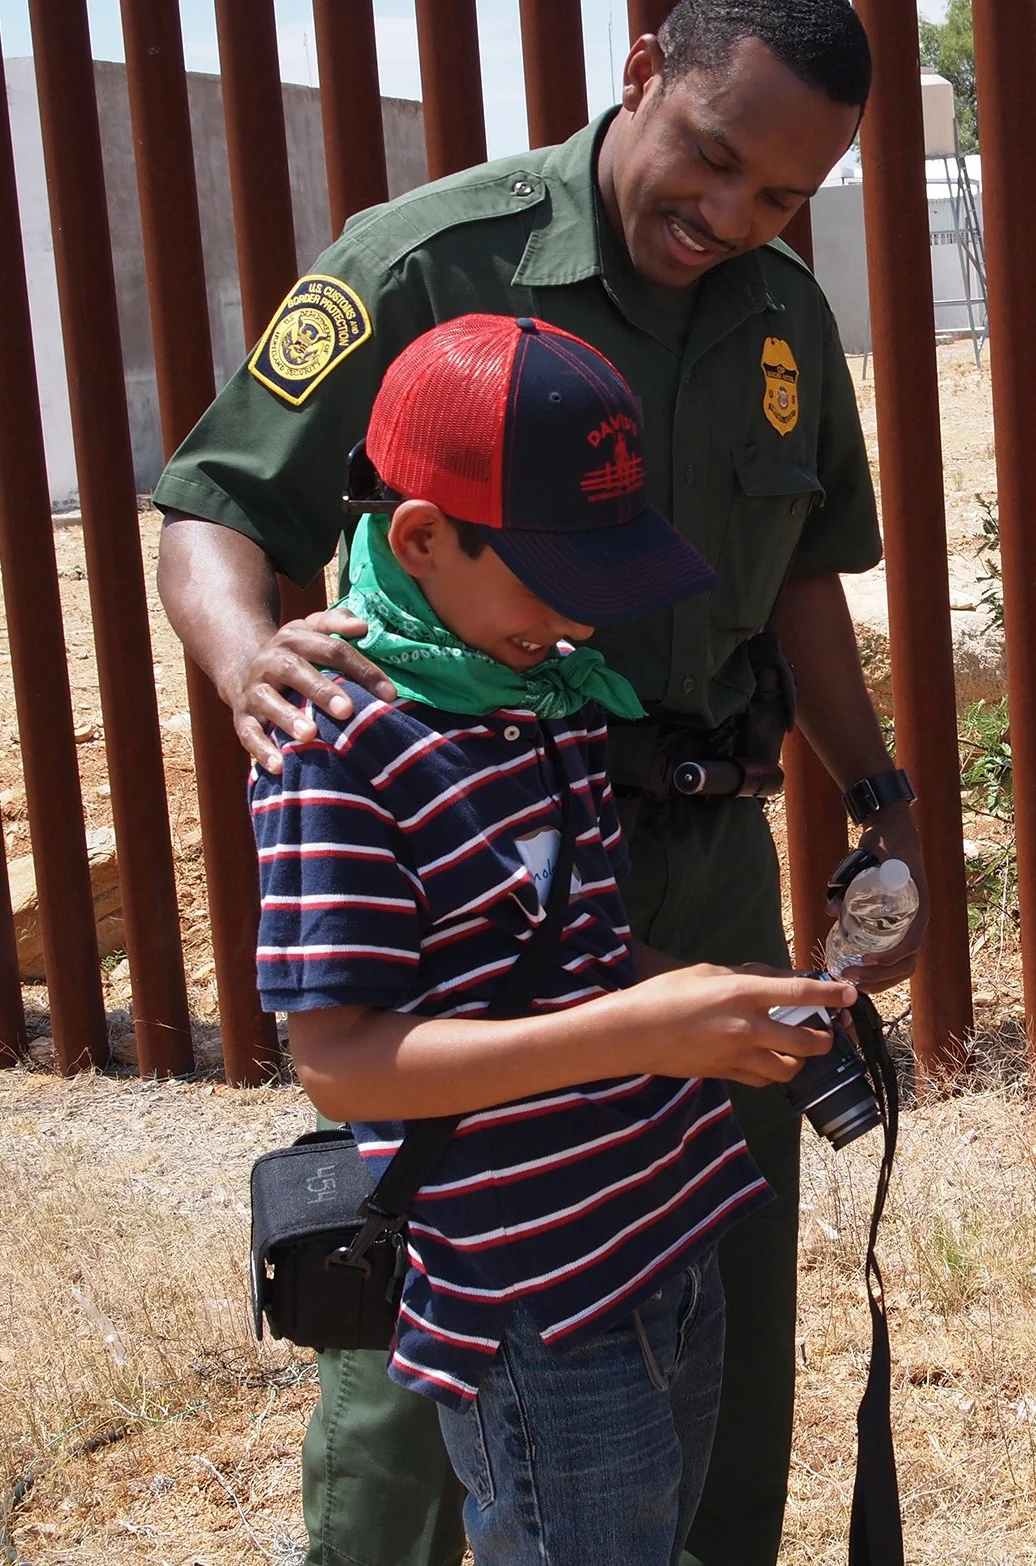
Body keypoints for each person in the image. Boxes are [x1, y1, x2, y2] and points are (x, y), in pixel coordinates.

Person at [154, 3, 924, 1561]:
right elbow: (217, 505)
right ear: (640, 70)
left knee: (702, 1277)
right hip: (468, 872)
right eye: (713, 161)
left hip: (698, 856)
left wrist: (878, 793)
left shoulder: (779, 313)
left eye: (783, 197)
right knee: (442, 1330)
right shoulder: (429, 259)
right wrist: (249, 664)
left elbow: (799, 583)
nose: (733, 219)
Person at [254, 311, 858, 1562]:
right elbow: (345, 1062)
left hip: (663, 1236)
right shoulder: (342, 752)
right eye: (559, 588)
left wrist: (703, 997)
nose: (583, 627)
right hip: (537, 1302)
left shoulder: (543, 695)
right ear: (422, 537)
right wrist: (638, 1027)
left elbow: (566, 957)